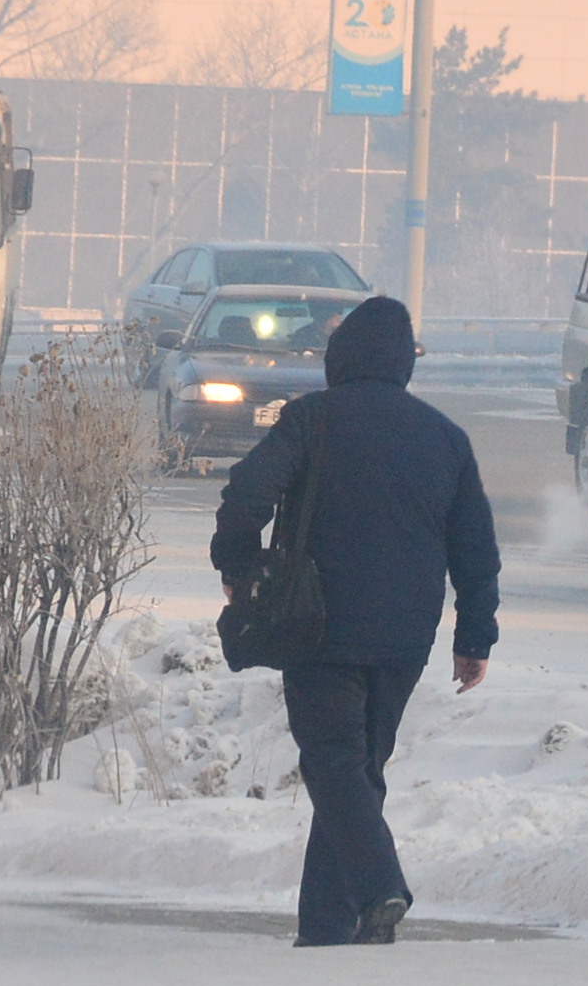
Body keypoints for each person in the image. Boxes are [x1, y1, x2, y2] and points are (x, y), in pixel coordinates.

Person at [212, 296, 499, 949]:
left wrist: (239, 568)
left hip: (318, 625)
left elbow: (246, 495)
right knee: (355, 772)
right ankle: (329, 928)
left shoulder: (312, 419)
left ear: (340, 357)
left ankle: (378, 889)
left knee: (334, 763)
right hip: (405, 637)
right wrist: (474, 637)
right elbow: (476, 552)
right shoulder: (445, 438)